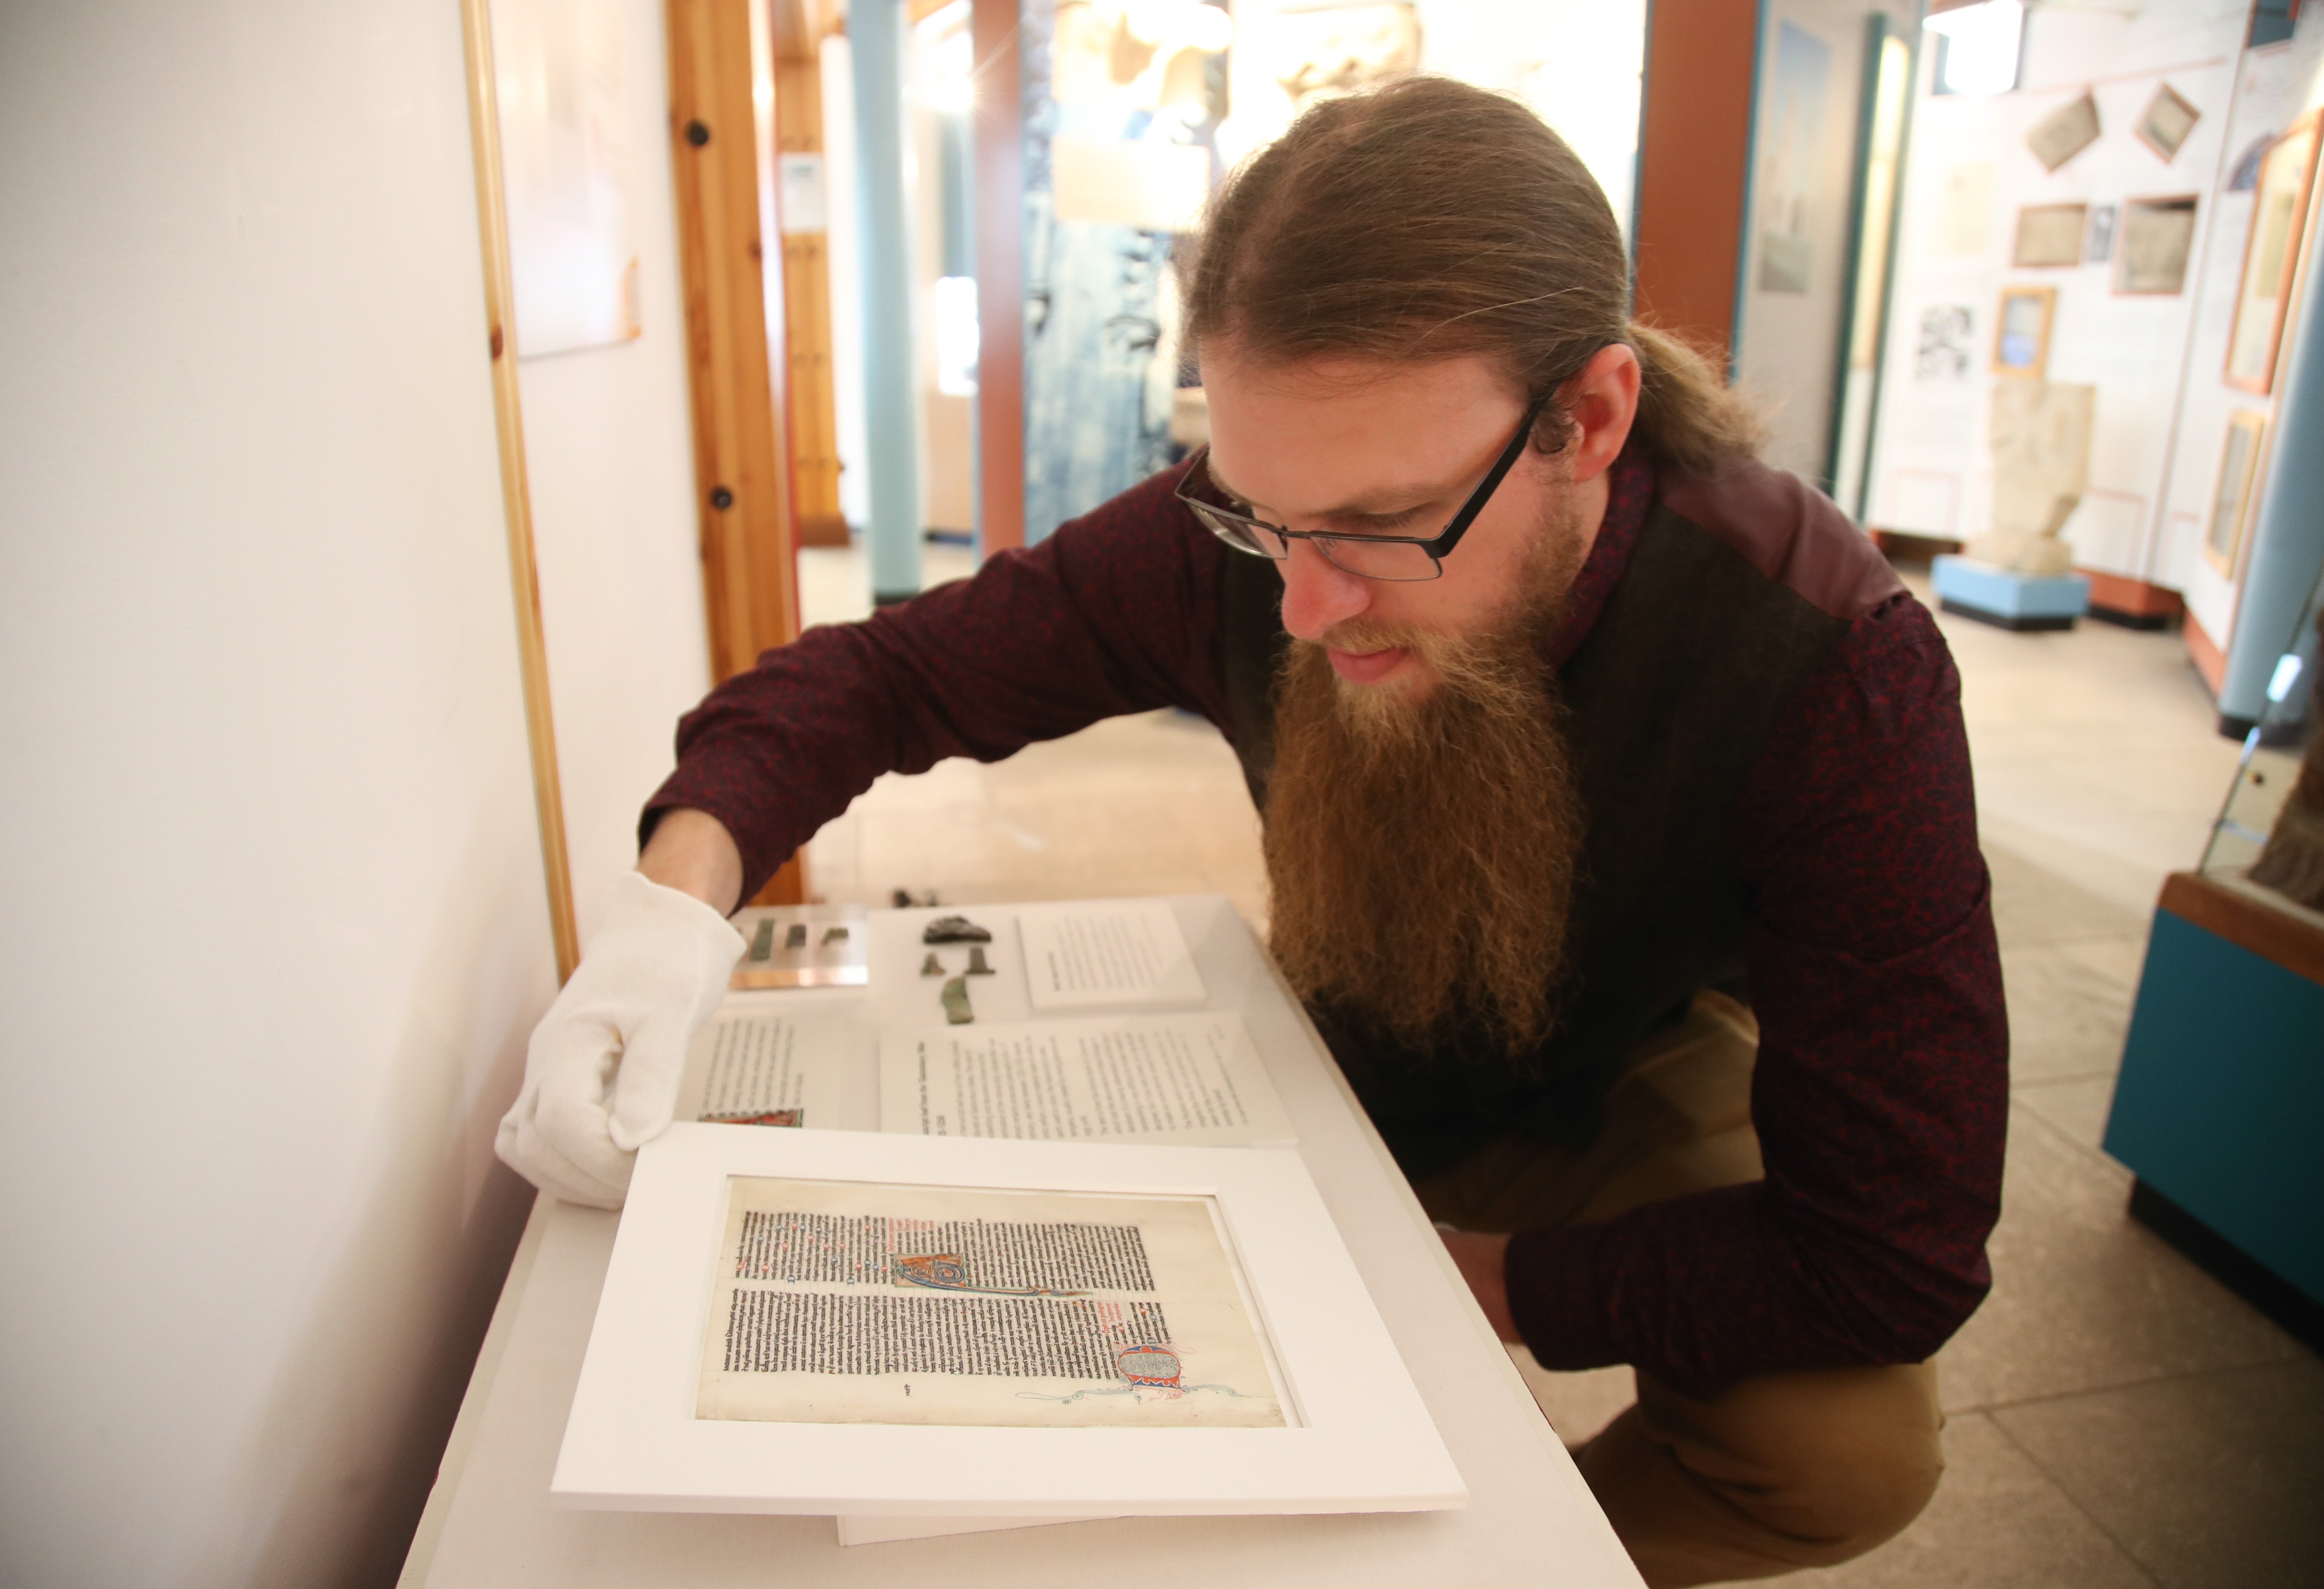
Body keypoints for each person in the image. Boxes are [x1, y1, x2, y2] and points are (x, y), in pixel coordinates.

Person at [496, 76, 2006, 1586]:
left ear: (1589, 419)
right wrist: (671, 916)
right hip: (1329, 1027)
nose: (1300, 605)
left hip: (1614, 1058)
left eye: (1379, 525)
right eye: (1257, 518)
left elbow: (1893, 1248)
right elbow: (886, 675)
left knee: (1842, 1451)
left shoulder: (1828, 663)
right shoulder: (1250, 542)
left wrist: (1483, 1289)